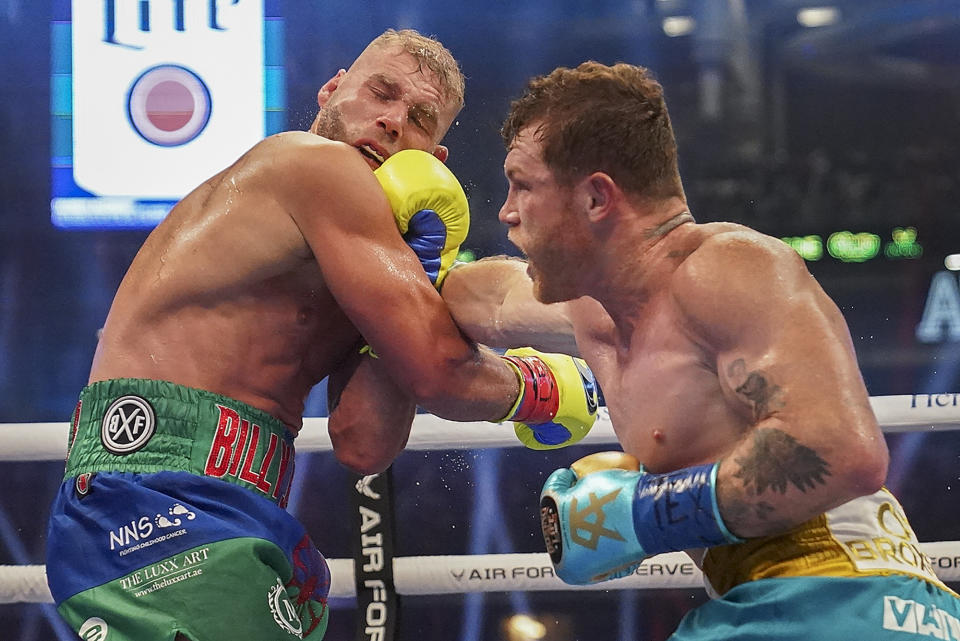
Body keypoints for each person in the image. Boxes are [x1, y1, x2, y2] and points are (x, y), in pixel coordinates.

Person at [45, 30, 598, 641]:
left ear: (432, 160)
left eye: (418, 120)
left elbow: (364, 442)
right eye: (380, 94)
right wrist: (539, 385)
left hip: (224, 506)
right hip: (155, 503)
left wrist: (423, 265)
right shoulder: (308, 162)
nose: (391, 123)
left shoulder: (353, 267)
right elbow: (439, 372)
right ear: (333, 91)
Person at [439, 61, 960, 639]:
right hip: (766, 606)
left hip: (850, 598)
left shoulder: (725, 268)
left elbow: (844, 449)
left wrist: (645, 515)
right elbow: (483, 300)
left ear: (595, 198)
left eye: (524, 185)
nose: (506, 211)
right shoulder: (594, 310)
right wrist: (393, 248)